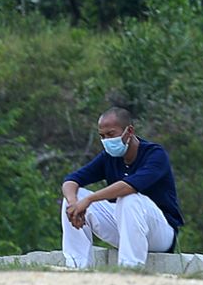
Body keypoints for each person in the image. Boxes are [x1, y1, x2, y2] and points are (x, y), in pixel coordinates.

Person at [61, 107, 183, 268]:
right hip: (124, 227)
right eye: (102, 136)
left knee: (129, 198)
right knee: (75, 198)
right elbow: (71, 180)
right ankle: (76, 264)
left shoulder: (155, 154)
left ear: (129, 131)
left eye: (111, 134)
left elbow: (129, 186)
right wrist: (73, 203)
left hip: (160, 233)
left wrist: (90, 199)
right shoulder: (109, 157)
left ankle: (130, 267)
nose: (106, 141)